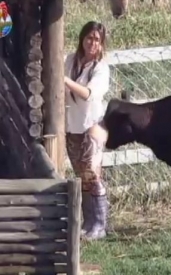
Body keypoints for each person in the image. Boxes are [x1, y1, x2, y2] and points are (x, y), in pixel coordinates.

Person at [64, 21, 110, 241]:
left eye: (97, 40)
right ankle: (87, 223)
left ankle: (100, 225)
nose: (92, 43)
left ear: (102, 45)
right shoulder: (70, 61)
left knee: (93, 174)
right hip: (72, 125)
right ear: (82, 38)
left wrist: (64, 80)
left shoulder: (101, 68)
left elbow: (89, 93)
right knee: (81, 176)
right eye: (89, 38)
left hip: (93, 126)